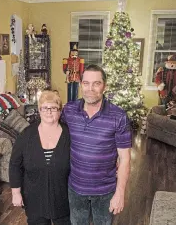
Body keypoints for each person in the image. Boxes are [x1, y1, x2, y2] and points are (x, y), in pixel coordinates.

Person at [61, 64, 132, 225]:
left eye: (96, 83)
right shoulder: (69, 111)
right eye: (86, 83)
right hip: (75, 188)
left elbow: (125, 159)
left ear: (104, 86)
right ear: (80, 85)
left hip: (105, 192)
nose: (90, 88)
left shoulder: (119, 117)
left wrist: (120, 193)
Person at [9, 90, 71, 225]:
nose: (49, 111)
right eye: (45, 108)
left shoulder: (69, 134)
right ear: (39, 110)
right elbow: (14, 164)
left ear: (60, 111)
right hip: (34, 198)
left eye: (53, 108)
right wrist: (16, 193)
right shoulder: (26, 135)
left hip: (63, 198)